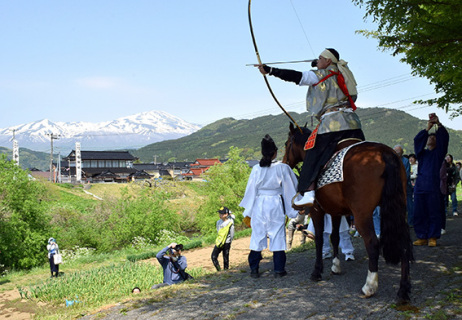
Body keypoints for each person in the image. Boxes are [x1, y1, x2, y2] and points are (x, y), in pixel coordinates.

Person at [256, 48, 365, 207]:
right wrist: (318, 64)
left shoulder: (319, 75)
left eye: (320, 58)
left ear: (328, 61)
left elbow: (296, 76)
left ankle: (308, 192)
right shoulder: (345, 73)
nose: (317, 60)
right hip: (353, 124)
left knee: (312, 152)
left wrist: (271, 70)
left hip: (332, 126)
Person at [240, 134, 299, 278]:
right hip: (275, 204)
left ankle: (254, 269)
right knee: (277, 234)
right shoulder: (283, 168)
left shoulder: (256, 169)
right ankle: (279, 269)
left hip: (259, 204)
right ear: (275, 152)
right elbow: (291, 188)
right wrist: (292, 209)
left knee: (257, 234)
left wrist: (249, 210)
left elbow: (250, 191)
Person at [413, 114, 449, 247]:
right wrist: (427, 128)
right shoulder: (422, 154)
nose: (430, 139)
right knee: (419, 212)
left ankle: (433, 237)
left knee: (434, 212)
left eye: (433, 137)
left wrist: (438, 124)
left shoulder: (439, 153)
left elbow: (444, 139)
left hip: (433, 186)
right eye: (429, 137)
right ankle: (422, 236)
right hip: (420, 186)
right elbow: (417, 141)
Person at [394, 145, 413, 226]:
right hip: (395, 186)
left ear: (402, 152)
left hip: (406, 185)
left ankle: (410, 222)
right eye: (396, 151)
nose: (397, 153)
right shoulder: (391, 159)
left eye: (399, 151)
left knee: (409, 205)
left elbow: (407, 174)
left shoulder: (405, 161)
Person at [211, 206, 235, 271]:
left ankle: (226, 271)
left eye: (222, 214)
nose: (220, 215)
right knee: (213, 256)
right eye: (219, 214)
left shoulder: (230, 223)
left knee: (225, 258)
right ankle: (219, 270)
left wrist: (229, 241)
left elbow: (232, 234)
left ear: (226, 214)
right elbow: (218, 232)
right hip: (219, 242)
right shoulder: (218, 222)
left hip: (227, 242)